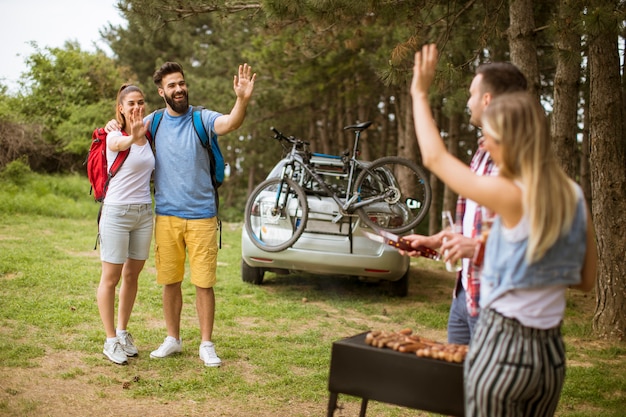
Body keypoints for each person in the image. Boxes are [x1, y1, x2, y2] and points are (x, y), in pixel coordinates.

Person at [410, 44, 597, 416]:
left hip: (504, 350)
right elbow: (585, 280)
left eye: (492, 140)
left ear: (511, 140)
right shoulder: (573, 195)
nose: (487, 147)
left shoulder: (512, 195)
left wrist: (419, 92)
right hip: (550, 358)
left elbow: (434, 158)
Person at [108, 62, 256, 367]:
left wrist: (241, 99)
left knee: (204, 283)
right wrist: (113, 125)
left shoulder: (202, 118)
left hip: (202, 215)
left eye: (181, 83)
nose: (179, 89)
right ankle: (172, 339)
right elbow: (129, 130)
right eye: (172, 86)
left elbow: (230, 124)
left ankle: (206, 343)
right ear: (161, 92)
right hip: (166, 216)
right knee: (170, 281)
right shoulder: (155, 121)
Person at [401, 61, 527, 345]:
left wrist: (419, 93)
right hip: (466, 294)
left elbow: (529, 240)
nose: (468, 102)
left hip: (497, 303)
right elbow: (479, 222)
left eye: (471, 94)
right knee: (455, 386)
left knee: (487, 389)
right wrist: (438, 241)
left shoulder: (521, 160)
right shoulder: (483, 153)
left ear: (487, 99)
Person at [97, 84, 155, 365]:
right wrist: (131, 136)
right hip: (117, 214)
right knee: (111, 278)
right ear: (120, 108)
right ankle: (109, 340)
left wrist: (139, 134)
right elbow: (119, 145)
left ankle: (121, 332)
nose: (136, 107)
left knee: (132, 276)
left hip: (144, 214)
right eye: (130, 103)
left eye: (141, 102)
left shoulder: (150, 133)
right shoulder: (113, 135)